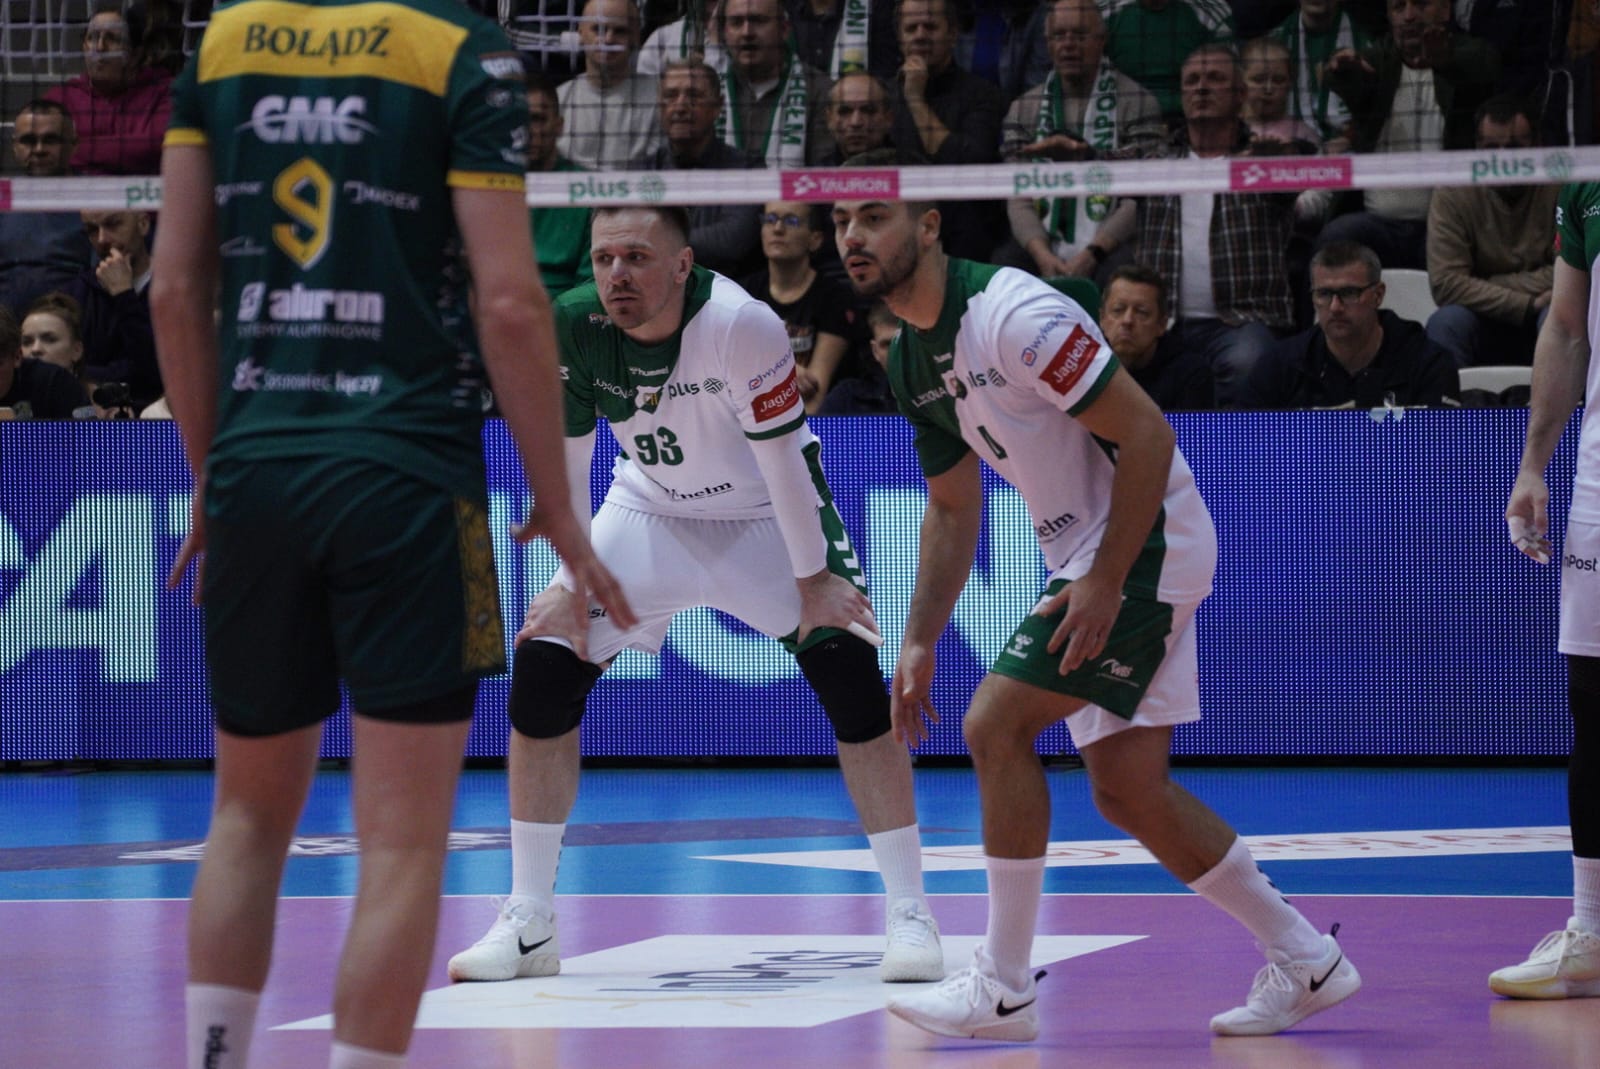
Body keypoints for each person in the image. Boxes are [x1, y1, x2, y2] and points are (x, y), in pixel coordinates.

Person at [153, 2, 631, 1066]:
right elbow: (511, 303)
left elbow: (175, 288)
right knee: (404, 844)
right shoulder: (459, 49)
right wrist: (557, 503)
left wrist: (211, 474)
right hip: (414, 479)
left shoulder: (224, 41)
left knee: (245, 819)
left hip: (257, 470)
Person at [829, 192, 1360, 1042]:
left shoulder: (1014, 314)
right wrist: (920, 635)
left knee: (995, 723)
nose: (852, 235)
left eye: (872, 216)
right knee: (1127, 790)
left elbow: (1147, 435)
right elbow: (953, 508)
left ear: (928, 226)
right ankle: (1306, 957)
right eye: (840, 223)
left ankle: (1003, 986)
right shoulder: (911, 360)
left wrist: (1108, 579)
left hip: (1142, 541)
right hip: (1090, 554)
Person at [447, 204, 945, 988]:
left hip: (764, 517)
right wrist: (570, 583)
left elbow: (784, 459)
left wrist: (815, 581)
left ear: (683, 265)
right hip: (646, 509)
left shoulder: (741, 324)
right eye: (604, 258)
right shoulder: (574, 320)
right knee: (543, 666)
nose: (617, 275)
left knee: (849, 673)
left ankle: (911, 911)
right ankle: (530, 919)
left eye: (637, 257)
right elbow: (571, 455)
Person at [1496, 180, 1600, 1003]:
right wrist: (1535, 464)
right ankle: (1591, 930)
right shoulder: (1587, 184)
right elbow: (1566, 326)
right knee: (1594, 703)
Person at [1123, 44, 1297, 409]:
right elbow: (1100, 167)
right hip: (1162, 323)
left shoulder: (1263, 157)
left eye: (1215, 79)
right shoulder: (1155, 161)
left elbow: (1297, 179)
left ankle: (1235, 449)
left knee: (1250, 361)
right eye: (1192, 81)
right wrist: (1076, 157)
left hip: (1241, 322)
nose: (1201, 88)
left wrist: (1278, 165)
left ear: (1240, 94)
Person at [1318, 0, 1500, 269]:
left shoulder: (1472, 54)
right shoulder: (1378, 60)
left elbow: (1482, 69)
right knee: (1335, 237)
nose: (1409, 16)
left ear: (1446, 10)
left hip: (1446, 226)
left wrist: (1445, 60)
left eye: (1421, 4)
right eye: (1398, 7)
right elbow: (1352, 84)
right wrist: (1342, 71)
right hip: (1378, 224)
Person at [1000, 0, 1164, 282]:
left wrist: (1092, 254)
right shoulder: (1022, 109)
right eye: (1059, 35)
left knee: (1124, 270)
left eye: (1079, 35)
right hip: (1042, 241)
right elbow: (1018, 195)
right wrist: (1042, 255)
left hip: (1112, 245)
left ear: (1102, 40)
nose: (1068, 44)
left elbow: (1139, 196)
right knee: (1006, 266)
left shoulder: (1138, 103)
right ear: (1048, 44)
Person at [1425, 95, 1557, 369]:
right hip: (1485, 313)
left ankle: (1561, 399)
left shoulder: (1563, 184)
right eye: (1491, 148)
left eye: (1514, 147)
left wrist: (1485, 282)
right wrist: (1526, 304)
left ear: (1537, 145)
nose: (1503, 159)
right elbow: (1445, 284)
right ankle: (1448, 399)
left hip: (1547, 307)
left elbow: (1573, 272)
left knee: (1559, 316)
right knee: (1446, 323)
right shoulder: (1452, 191)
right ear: (1476, 149)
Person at [1252, 241, 1458, 408]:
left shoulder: (1429, 364)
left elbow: (1439, 444)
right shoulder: (1279, 367)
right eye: (1324, 294)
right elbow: (1247, 443)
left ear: (1378, 295)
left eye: (1349, 293)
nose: (1335, 307)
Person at [890, 0, 1008, 262]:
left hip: (967, 237)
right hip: (899, 230)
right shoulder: (884, 98)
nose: (920, 35)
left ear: (953, 34)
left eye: (930, 27)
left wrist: (915, 99)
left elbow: (967, 164)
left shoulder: (983, 95)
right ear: (899, 38)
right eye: (911, 28)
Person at [632, 59, 764, 279]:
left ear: (718, 106)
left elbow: (732, 241)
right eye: (671, 96)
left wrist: (654, 241)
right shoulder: (640, 172)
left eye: (694, 96)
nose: (680, 106)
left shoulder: (747, 169)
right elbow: (630, 240)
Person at [743, 201, 868, 412]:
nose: (778, 229)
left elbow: (814, 394)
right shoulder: (743, 294)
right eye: (770, 219)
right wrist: (781, 371)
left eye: (791, 221)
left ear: (815, 240)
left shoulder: (835, 297)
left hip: (821, 421)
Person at [45, 2, 173, 175]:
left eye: (112, 39)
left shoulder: (165, 92)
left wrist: (75, 148)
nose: (99, 47)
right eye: (92, 38)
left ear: (135, 55)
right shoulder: (61, 98)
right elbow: (46, 151)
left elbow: (156, 146)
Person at [0, 100, 94, 319]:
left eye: (51, 140)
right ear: (15, 147)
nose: (39, 149)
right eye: (28, 141)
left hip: (75, 324)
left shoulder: (99, 198)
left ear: (74, 145)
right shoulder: (3, 197)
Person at [63, 209, 161, 411]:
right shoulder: (77, 294)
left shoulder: (172, 288)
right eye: (92, 230)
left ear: (143, 224)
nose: (102, 239)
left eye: (113, 224)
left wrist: (123, 295)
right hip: (91, 413)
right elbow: (62, 367)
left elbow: (157, 370)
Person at [718, 0, 835, 166]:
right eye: (736, 22)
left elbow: (823, 171)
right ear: (724, 33)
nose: (747, 32)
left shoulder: (821, 91)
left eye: (759, 21)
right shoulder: (708, 92)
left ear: (784, 29)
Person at [557, 0, 662, 170]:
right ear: (581, 33)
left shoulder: (661, 98)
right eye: (598, 29)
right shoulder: (559, 100)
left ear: (636, 37)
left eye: (620, 31)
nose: (608, 39)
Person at [1099, 264, 1214, 410]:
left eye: (1141, 312)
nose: (1127, 320)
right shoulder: (1083, 365)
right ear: (1102, 318)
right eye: (1118, 310)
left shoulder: (1191, 374)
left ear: (1161, 324)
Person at [526, 70, 595, 301]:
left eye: (537, 119)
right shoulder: (488, 188)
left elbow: (589, 286)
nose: (529, 130)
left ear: (559, 125)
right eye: (518, 119)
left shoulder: (588, 190)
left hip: (564, 310)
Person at [1269, 0, 1371, 144]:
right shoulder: (1272, 46)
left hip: (1351, 149)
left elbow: (1373, 114)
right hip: (1289, 146)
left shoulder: (1367, 47)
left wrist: (1349, 138)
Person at [0, 306, 88, 419]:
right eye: (27, 341)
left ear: (17, 357)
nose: (36, 349)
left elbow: (86, 430)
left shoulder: (55, 382)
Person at [20, 291, 87, 384]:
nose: (35, 349)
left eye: (50, 340)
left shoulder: (98, 393)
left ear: (77, 350)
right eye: (27, 342)